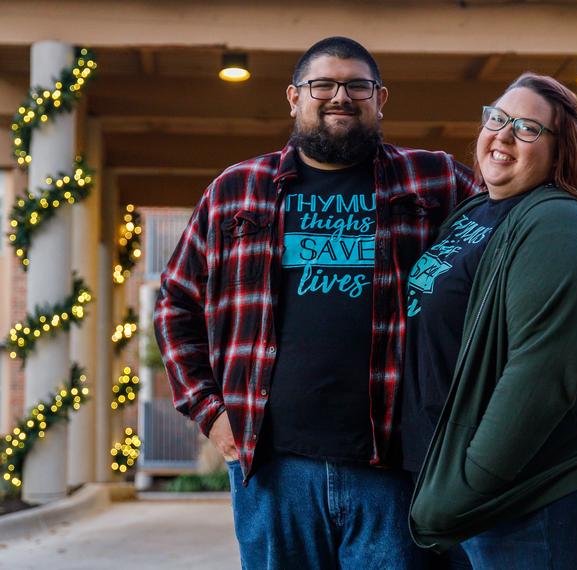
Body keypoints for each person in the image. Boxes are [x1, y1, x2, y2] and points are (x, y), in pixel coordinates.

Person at [153, 36, 479, 569]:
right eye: (322, 85)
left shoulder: (435, 180)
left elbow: (515, 227)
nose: (340, 97)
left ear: (381, 97)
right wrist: (210, 412)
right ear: (293, 96)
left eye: (357, 85)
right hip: (274, 468)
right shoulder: (237, 190)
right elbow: (174, 305)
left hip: (398, 468)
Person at [405, 73, 577, 569]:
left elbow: (538, 378)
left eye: (527, 128)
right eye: (497, 118)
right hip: (500, 482)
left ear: (559, 151)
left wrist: (469, 484)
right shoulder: (476, 211)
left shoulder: (561, 229)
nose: (503, 135)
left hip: (556, 476)